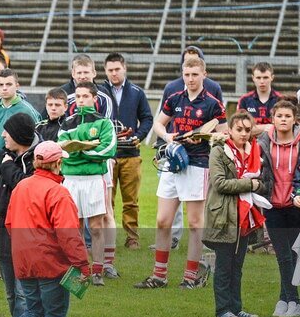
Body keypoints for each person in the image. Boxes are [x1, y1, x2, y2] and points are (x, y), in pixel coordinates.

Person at [136, 56, 226, 290]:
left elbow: (224, 135)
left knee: (195, 223)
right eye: (187, 75)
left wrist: (205, 136)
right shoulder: (175, 97)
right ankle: (159, 276)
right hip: (173, 162)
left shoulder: (213, 103)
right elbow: (159, 124)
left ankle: (190, 277)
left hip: (197, 164)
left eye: (195, 74)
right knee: (162, 220)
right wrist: (167, 137)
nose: (190, 79)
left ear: (204, 74)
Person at [3, 141, 90, 317]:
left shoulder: (21, 186)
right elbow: (69, 233)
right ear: (58, 163)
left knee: (34, 313)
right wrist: (82, 264)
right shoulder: (58, 192)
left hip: (24, 261)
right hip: (51, 263)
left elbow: (10, 223)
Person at [204, 111, 268, 317]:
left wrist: (257, 185)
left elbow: (264, 183)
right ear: (229, 130)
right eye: (239, 129)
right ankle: (223, 310)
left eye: (247, 130)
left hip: (244, 217)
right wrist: (251, 184)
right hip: (223, 216)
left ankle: (236, 307)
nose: (243, 134)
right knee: (224, 266)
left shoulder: (254, 153)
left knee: (237, 267)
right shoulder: (219, 151)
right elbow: (220, 183)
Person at [58, 82, 117, 285]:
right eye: (78, 96)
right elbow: (63, 153)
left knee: (96, 226)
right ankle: (81, 270)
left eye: (85, 96)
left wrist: (80, 152)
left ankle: (98, 271)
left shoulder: (104, 123)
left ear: (94, 98)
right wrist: (86, 153)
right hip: (71, 180)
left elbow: (107, 150)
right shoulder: (67, 123)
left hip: (94, 179)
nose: (81, 100)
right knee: (75, 227)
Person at [0, 113, 37, 317]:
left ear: (19, 135)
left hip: (24, 235)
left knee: (22, 291)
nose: (4, 135)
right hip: (1, 230)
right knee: (10, 293)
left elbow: (25, 187)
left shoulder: (36, 160)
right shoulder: (2, 155)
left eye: (8, 131)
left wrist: (8, 167)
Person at [104, 52, 153, 250]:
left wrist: (138, 136)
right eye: (110, 70)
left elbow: (147, 118)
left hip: (131, 154)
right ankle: (108, 238)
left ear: (124, 68)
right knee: (107, 201)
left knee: (131, 201)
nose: (114, 73)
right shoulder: (100, 92)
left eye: (117, 69)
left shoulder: (137, 92)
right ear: (105, 71)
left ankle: (132, 238)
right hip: (107, 155)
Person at [258, 98, 300, 317]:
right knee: (282, 255)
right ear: (272, 119)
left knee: (292, 254)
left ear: (295, 119)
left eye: (287, 116)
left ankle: (288, 300)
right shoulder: (264, 141)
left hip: (295, 206)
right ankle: (289, 299)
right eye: (279, 116)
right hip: (272, 206)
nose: (283, 119)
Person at [0, 68, 40, 179]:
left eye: (9, 84)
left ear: (17, 86)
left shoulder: (27, 110)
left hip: (16, 165)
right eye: (1, 85)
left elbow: (36, 139)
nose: (4, 88)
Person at [238, 62, 280, 137]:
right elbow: (240, 129)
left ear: (272, 77)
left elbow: (284, 127)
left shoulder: (280, 100)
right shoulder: (244, 100)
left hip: (274, 143)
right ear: (253, 78)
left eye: (265, 77)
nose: (262, 81)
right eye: (258, 78)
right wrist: (265, 127)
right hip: (249, 144)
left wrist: (255, 129)